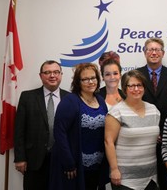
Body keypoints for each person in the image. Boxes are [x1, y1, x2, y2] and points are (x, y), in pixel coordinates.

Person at [49, 63, 109, 190]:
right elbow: (60, 133)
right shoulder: (70, 101)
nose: (90, 82)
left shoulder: (100, 100)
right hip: (75, 166)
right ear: (78, 82)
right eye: (85, 79)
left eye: (93, 78)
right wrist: (69, 163)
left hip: (97, 165)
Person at [14, 60, 69, 190]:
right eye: (47, 72)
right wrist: (20, 158)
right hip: (34, 160)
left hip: (61, 159)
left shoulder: (69, 98)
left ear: (61, 74)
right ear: (41, 76)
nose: (52, 75)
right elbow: (19, 130)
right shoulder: (27, 97)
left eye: (56, 72)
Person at [136, 37, 167, 190]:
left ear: (163, 53)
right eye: (150, 49)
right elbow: (133, 107)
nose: (154, 53)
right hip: (143, 138)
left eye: (157, 50)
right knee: (145, 183)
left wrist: (166, 132)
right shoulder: (136, 75)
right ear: (144, 53)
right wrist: (150, 131)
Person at [105, 70, 160, 190]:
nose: (136, 89)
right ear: (125, 89)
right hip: (125, 179)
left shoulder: (154, 110)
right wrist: (114, 170)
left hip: (150, 177)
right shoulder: (116, 112)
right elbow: (108, 142)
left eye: (139, 85)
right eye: (131, 86)